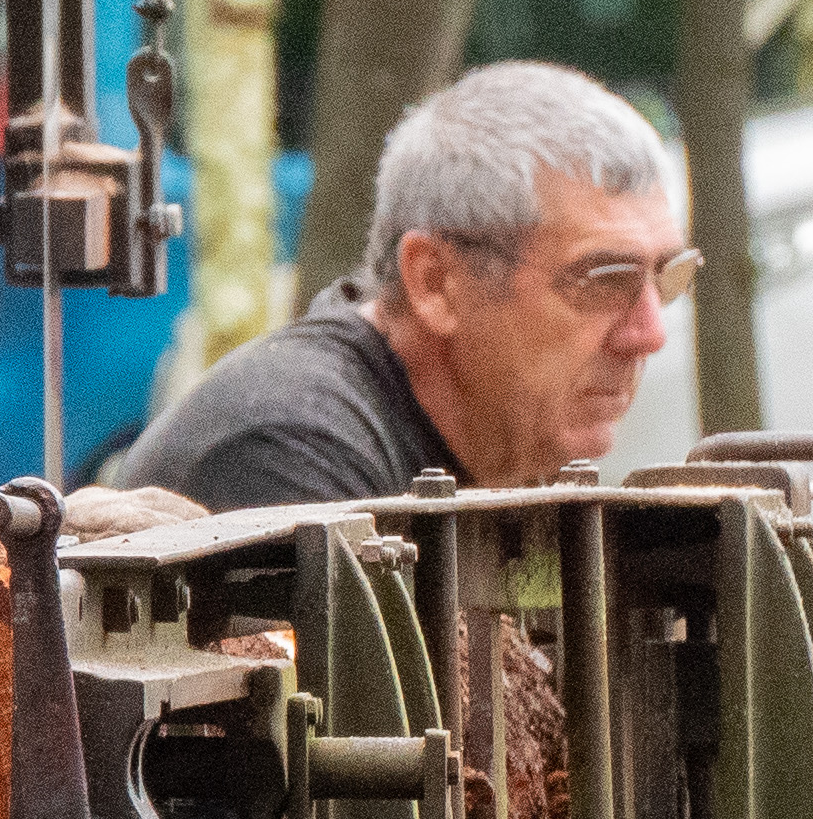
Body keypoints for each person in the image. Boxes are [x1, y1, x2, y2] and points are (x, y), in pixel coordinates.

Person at [115, 61, 693, 508]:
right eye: (604, 280)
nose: (649, 334)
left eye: (667, 276)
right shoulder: (289, 458)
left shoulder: (496, 441)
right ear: (436, 282)